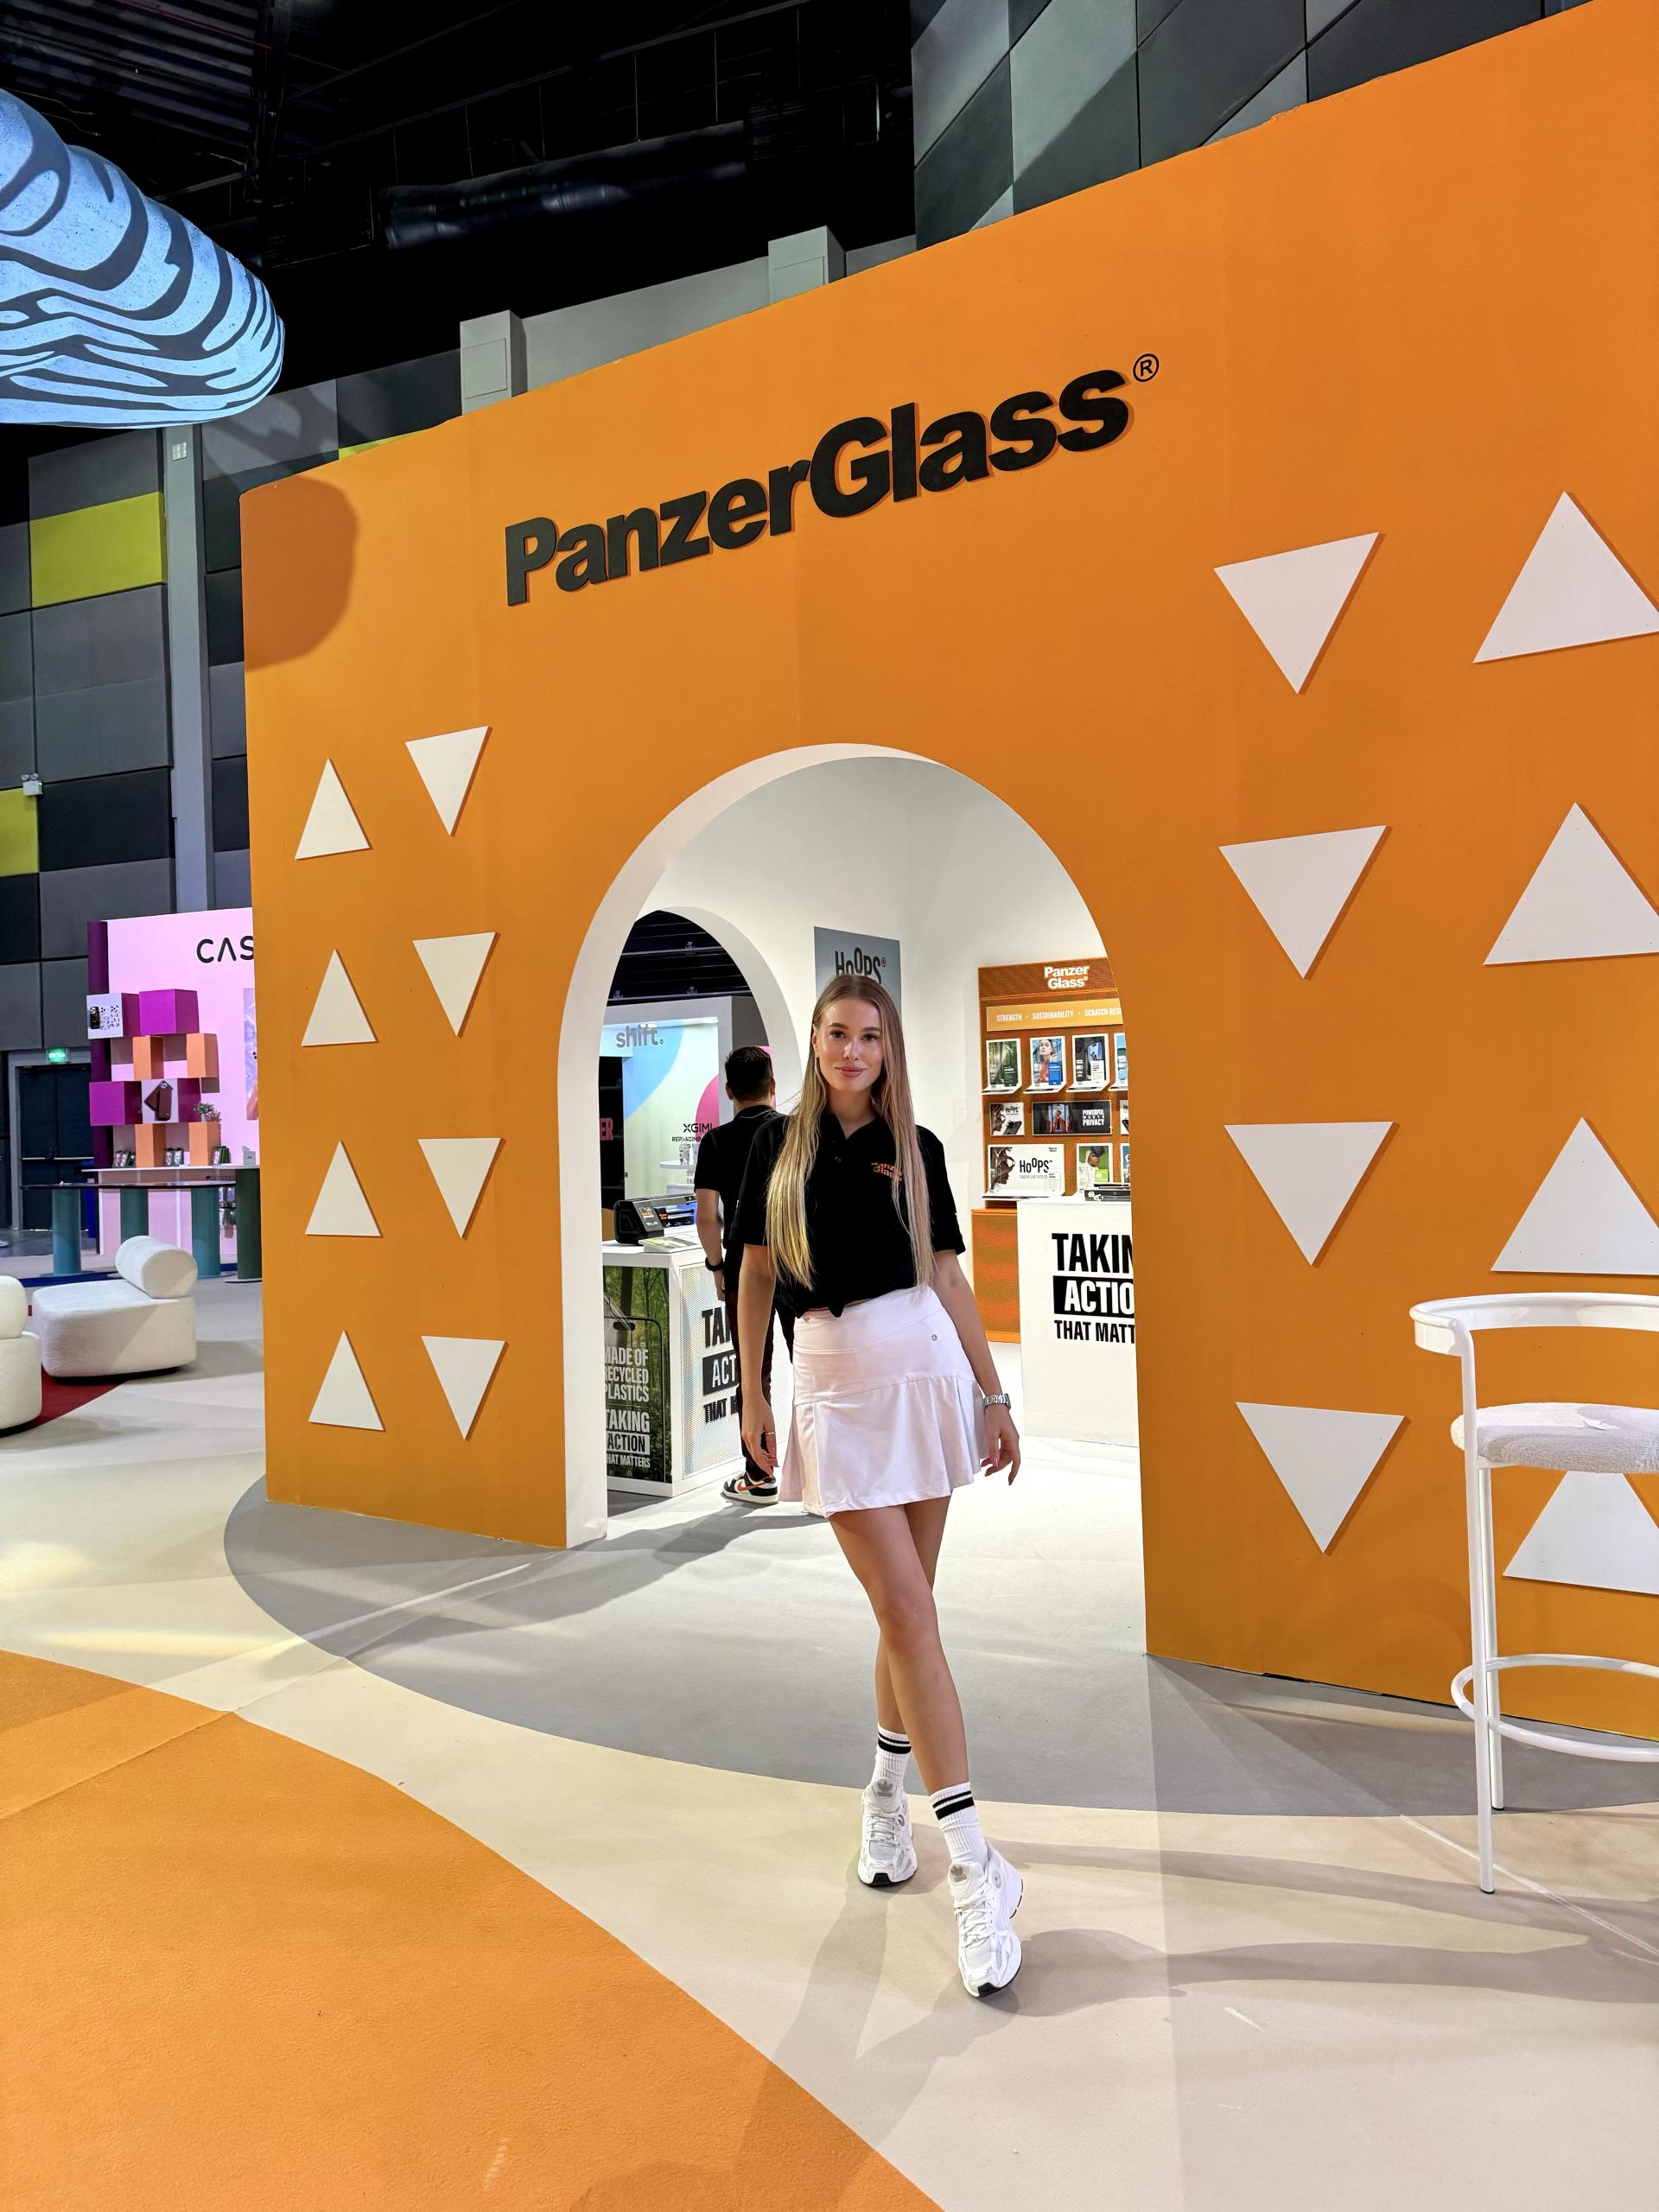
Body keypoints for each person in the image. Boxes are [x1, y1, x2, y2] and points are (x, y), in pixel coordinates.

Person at [734, 979, 1025, 1999]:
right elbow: (756, 1274)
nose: (852, 1050)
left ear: (888, 1047)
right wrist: (753, 1391)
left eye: (869, 1035)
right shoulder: (775, 1149)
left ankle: (886, 1794)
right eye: (837, 1033)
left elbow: (947, 1275)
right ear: (813, 1042)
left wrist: (993, 1391)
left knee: (911, 1615)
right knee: (905, 1610)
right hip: (832, 1385)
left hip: (923, 1375)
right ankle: (978, 1867)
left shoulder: (919, 1147)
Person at [694, 1044, 785, 1505]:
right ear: (773, 1086)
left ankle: (759, 1474)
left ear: (729, 1091)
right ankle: (825, 1475)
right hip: (799, 1260)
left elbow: (707, 1216)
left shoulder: (715, 1142)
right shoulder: (794, 1132)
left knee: (753, 1370)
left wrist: (716, 1265)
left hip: (745, 1264)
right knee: (815, 1364)